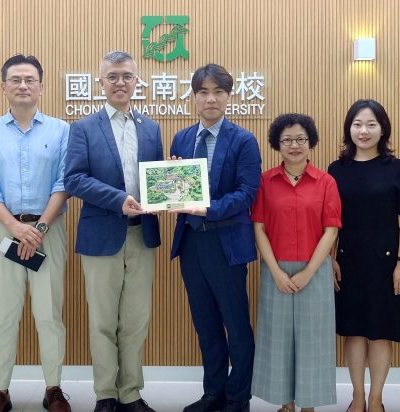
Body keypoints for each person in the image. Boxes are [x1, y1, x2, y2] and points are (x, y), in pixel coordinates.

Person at [0, 54, 71, 412]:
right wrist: (16, 228)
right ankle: (0, 391)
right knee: (4, 315)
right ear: (3, 87)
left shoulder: (62, 130)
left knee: (49, 314)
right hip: (1, 230)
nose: (23, 86)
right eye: (15, 80)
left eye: (30, 80)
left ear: (41, 87)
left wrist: (38, 229)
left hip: (49, 230)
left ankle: (54, 389)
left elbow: (64, 183)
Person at [64, 51, 162, 412]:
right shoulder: (83, 128)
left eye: (127, 76)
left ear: (137, 81)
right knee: (103, 320)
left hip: (142, 235)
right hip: (101, 236)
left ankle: (131, 393)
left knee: (135, 320)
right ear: (100, 82)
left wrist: (173, 179)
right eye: (112, 76)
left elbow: (156, 179)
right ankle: (106, 394)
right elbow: (73, 179)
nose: (120, 82)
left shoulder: (151, 128)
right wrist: (118, 199)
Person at [169, 64, 262, 412]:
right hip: (192, 244)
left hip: (226, 243)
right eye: (204, 92)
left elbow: (247, 194)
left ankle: (238, 397)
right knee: (205, 323)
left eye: (218, 92)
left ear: (228, 96)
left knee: (236, 325)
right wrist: (167, 190)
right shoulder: (181, 138)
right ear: (194, 97)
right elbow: (175, 188)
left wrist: (206, 209)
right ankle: (213, 393)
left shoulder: (243, 140)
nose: (211, 99)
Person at [327, 100, 400, 412]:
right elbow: (329, 221)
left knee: (380, 333)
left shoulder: (397, 168)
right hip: (348, 261)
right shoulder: (336, 170)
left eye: (371, 124)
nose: (363, 131)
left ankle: (376, 398)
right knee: (354, 331)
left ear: (383, 129)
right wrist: (330, 257)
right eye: (357, 124)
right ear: (348, 129)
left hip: (386, 262)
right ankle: (357, 396)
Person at [250, 113, 340, 412]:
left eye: (300, 139)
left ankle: (309, 404)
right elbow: (259, 227)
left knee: (313, 339)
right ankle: (286, 401)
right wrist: (275, 271)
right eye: (287, 140)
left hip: (315, 270)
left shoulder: (326, 181)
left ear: (310, 141)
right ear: (277, 143)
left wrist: (310, 272)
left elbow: (331, 229)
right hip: (275, 270)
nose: (294, 145)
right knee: (279, 339)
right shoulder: (265, 181)